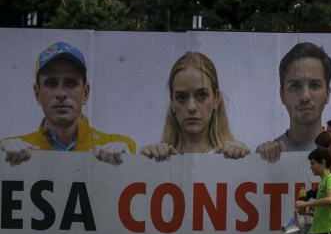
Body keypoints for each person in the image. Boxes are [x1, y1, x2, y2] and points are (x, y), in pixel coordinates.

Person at [0, 42, 135, 166]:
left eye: (71, 83)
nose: (61, 93)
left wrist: (129, 165)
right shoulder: (9, 150)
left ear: (85, 93)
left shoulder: (121, 147)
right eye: (51, 83)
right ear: (37, 93)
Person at [140, 51, 250, 161]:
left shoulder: (237, 159)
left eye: (202, 95)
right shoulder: (154, 160)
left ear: (216, 99)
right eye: (181, 97)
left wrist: (255, 160)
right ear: (172, 102)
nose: (191, 107)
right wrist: (140, 163)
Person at [255, 42, 331, 162]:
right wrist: (255, 164)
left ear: (328, 93)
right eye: (295, 86)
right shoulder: (266, 156)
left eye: (314, 85)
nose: (305, 96)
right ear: (282, 95)